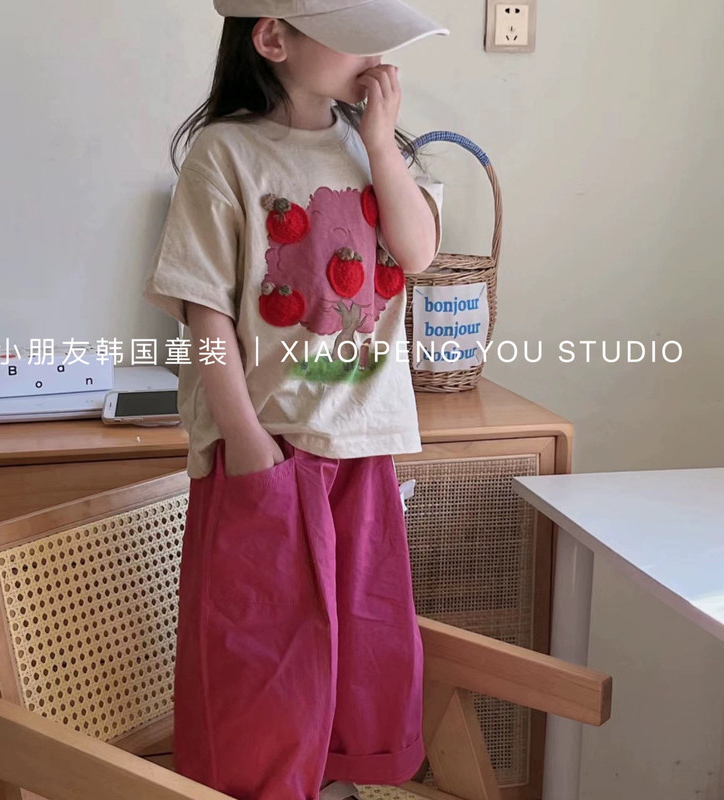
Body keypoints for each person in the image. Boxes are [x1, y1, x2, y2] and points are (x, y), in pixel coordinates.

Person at [141, 2, 449, 799]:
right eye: (355, 37)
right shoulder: (225, 153)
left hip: (361, 449)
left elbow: (416, 252)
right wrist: (245, 442)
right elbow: (205, 313)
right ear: (273, 37)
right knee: (258, 669)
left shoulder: (375, 150)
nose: (376, 56)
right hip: (269, 449)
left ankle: (339, 784)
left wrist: (380, 143)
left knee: (360, 654)